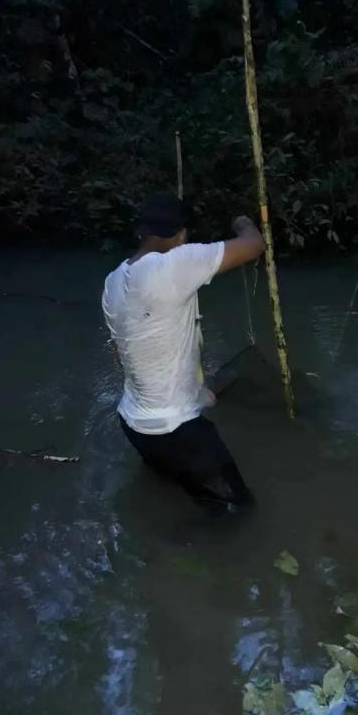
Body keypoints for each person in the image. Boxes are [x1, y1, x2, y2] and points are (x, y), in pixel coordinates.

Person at [102, 191, 265, 507]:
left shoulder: (111, 283)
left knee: (178, 491)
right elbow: (253, 246)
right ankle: (178, 549)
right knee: (241, 513)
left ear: (141, 232)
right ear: (181, 234)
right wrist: (243, 221)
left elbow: (123, 356)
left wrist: (193, 391)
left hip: (133, 425)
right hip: (177, 432)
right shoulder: (175, 264)